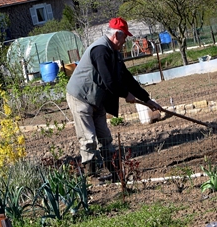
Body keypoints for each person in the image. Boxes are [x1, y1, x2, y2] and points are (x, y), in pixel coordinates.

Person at [66, 17, 162, 182]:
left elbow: (126, 77)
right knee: (88, 138)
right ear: (117, 35)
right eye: (125, 37)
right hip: (81, 97)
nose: (125, 42)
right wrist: (126, 94)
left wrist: (146, 99)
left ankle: (115, 172)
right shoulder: (100, 51)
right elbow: (109, 81)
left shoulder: (114, 53)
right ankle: (91, 178)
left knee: (105, 137)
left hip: (97, 99)